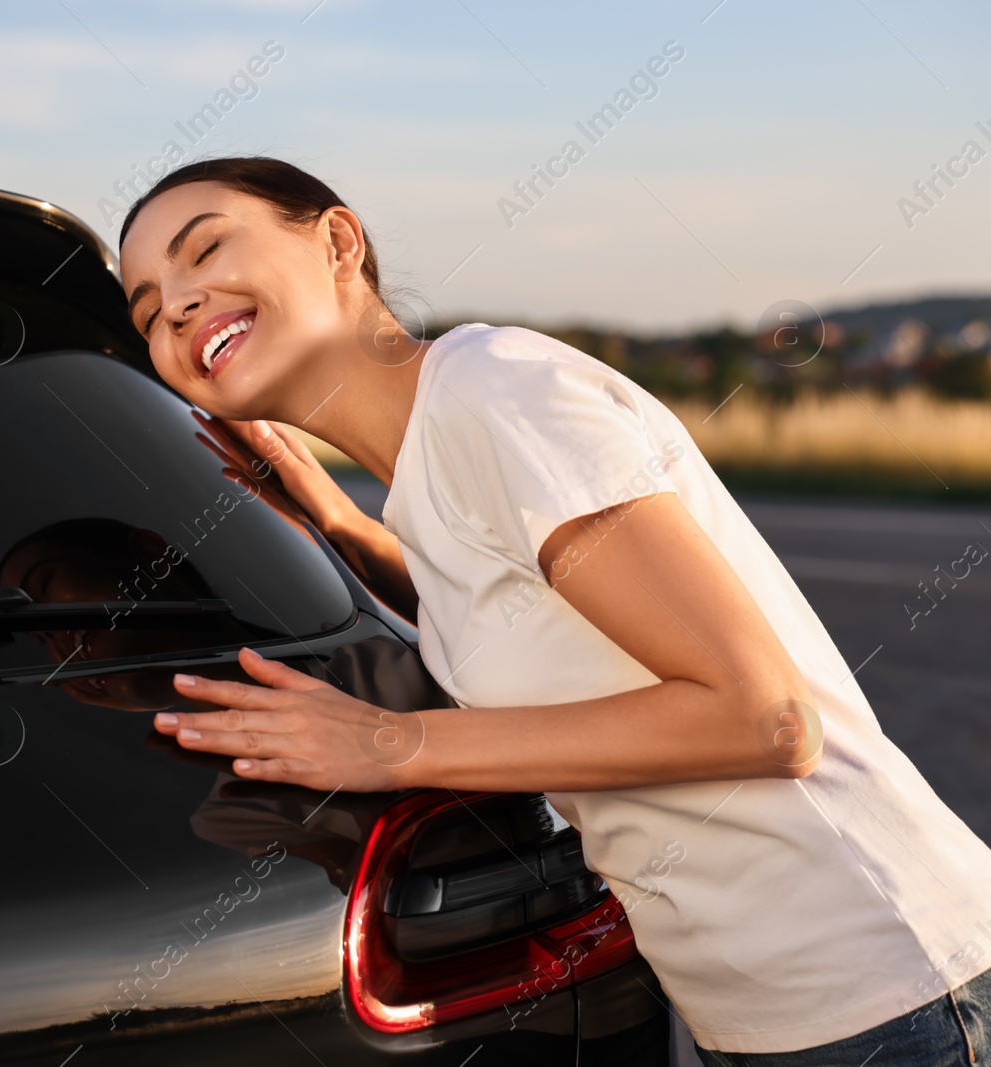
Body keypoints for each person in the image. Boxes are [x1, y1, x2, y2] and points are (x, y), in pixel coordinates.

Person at [116, 155, 991, 1065]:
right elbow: (525, 621)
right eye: (146, 312)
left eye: (205, 249)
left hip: (893, 989)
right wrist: (334, 521)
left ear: (338, 241)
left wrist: (387, 743)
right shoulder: (426, 472)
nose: (175, 305)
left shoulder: (495, 392)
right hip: (768, 1016)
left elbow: (766, 719)